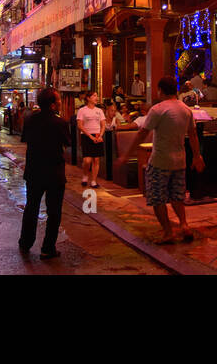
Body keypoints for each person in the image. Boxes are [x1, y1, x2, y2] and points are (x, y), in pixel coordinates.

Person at [117, 77, 204, 244]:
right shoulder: (186, 110)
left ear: (161, 90)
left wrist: (126, 155)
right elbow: (192, 135)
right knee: (177, 196)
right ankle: (184, 225)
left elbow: (142, 133)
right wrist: (197, 156)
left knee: (157, 198)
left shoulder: (158, 109)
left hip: (159, 162)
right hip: (180, 162)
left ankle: (168, 232)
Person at [19, 87, 68, 259]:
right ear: (53, 104)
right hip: (54, 172)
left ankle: (25, 243)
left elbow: (25, 139)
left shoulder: (30, 119)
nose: (61, 102)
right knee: (54, 212)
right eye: (59, 100)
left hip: (34, 171)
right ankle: (47, 248)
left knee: (31, 207)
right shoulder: (60, 123)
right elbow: (67, 142)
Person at [75, 91, 106, 188]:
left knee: (96, 159)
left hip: (97, 135)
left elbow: (103, 124)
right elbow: (80, 125)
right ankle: (85, 175)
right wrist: (90, 136)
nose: (96, 98)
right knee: (87, 160)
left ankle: (93, 180)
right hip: (86, 136)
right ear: (88, 98)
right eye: (94, 96)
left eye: (97, 95)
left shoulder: (99, 111)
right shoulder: (82, 110)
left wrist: (100, 135)